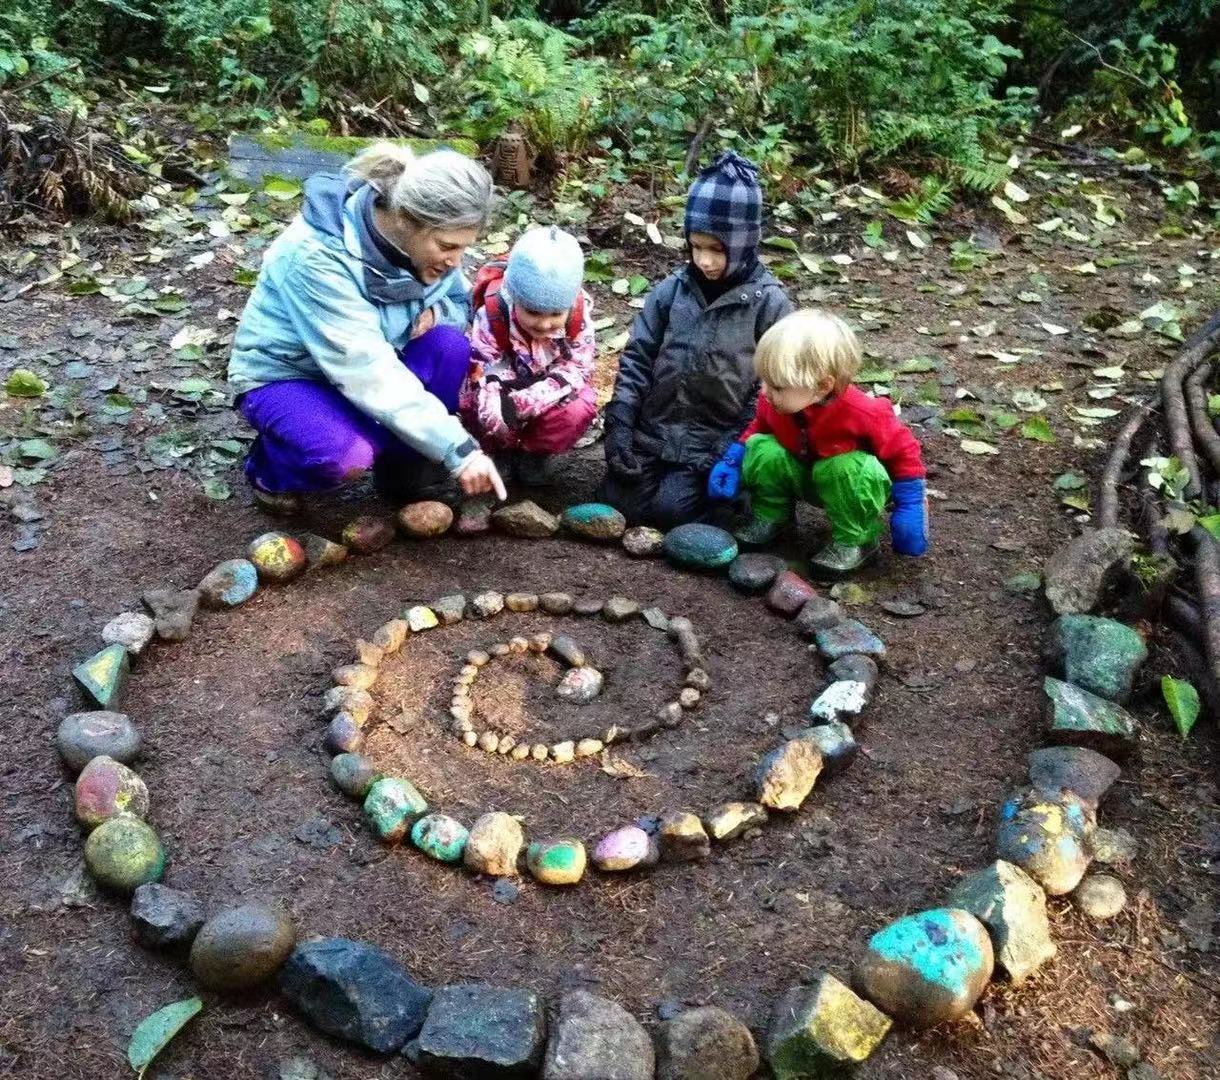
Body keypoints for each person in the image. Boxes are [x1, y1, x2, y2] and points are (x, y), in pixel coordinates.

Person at [228, 142, 506, 514]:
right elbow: (366, 370)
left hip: (375, 365)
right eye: (448, 246)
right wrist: (459, 450)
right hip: (287, 375)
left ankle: (405, 471)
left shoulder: (427, 245)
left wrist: (435, 317)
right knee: (346, 455)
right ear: (407, 218)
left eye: (463, 247)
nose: (457, 261)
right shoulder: (317, 256)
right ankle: (269, 468)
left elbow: (457, 306)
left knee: (449, 346)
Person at [597, 150, 792, 529]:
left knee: (673, 512)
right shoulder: (672, 291)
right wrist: (620, 422)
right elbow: (639, 356)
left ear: (743, 242)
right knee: (619, 502)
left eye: (717, 249)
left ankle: (742, 498)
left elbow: (770, 388)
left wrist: (731, 444)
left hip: (715, 440)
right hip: (656, 430)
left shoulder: (769, 304)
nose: (704, 260)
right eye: (696, 246)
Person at [708, 309, 929, 576]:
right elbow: (758, 427)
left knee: (845, 468)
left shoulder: (863, 412)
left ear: (822, 386)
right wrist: (733, 459)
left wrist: (910, 504)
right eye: (764, 381)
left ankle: (856, 540)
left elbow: (903, 451)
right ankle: (772, 515)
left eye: (777, 386)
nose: (764, 392)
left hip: (846, 486)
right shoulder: (777, 405)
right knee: (763, 448)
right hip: (804, 474)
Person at [459, 225, 596, 485]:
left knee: (580, 405)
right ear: (514, 297)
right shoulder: (493, 314)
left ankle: (534, 453)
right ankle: (499, 451)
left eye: (556, 314)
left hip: (551, 387)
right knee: (479, 405)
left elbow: (578, 367)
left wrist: (532, 399)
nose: (544, 324)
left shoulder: (578, 317)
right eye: (533, 312)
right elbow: (482, 371)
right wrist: (502, 405)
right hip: (503, 385)